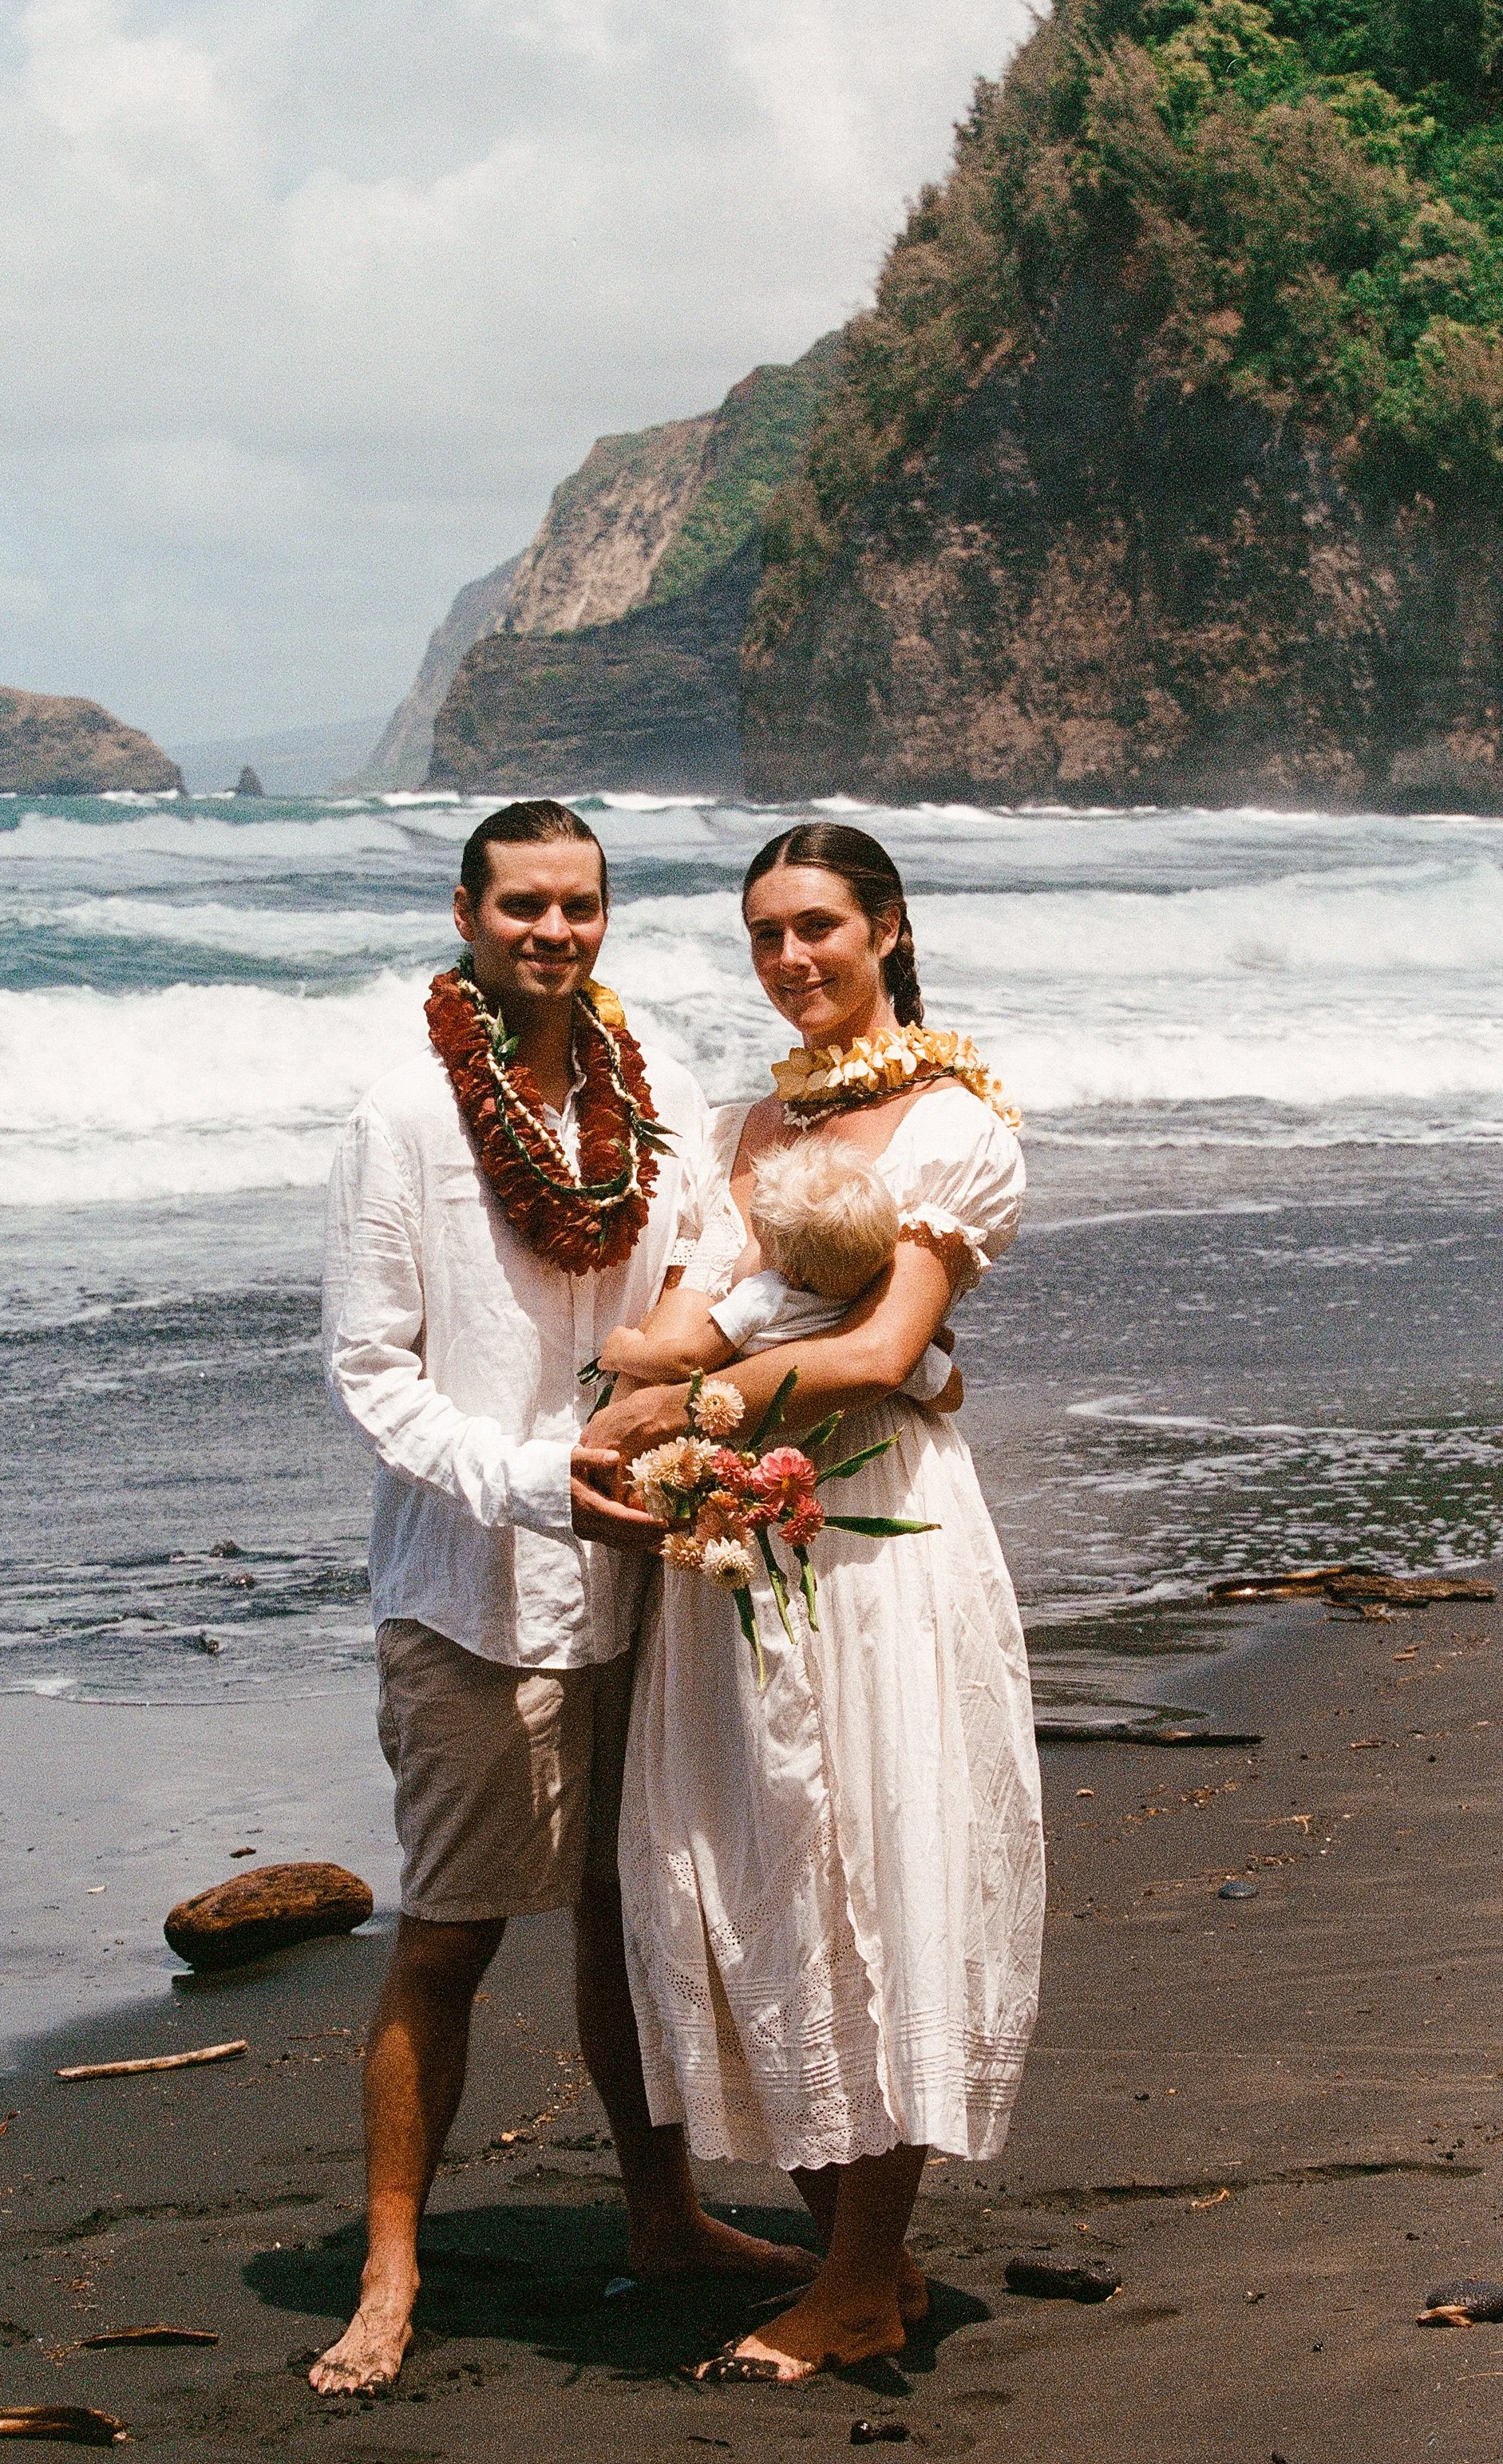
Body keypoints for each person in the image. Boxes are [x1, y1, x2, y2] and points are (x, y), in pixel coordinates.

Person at [312, 800, 814, 2396]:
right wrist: (533, 1475)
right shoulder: (404, 1113)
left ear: (604, 914)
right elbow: (366, 1368)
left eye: (578, 904)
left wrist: (659, 1374)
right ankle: (389, 2263)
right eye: (521, 903)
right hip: (470, 1582)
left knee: (629, 1913)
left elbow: (708, 1243)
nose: (552, 930)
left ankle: (659, 2212)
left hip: (644, 1567)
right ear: (465, 912)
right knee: (452, 1932)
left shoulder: (644, 1072)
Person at [586, 820, 1046, 2383]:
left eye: (818, 927)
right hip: (729, 1551)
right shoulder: (727, 1128)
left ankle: (851, 2282)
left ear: (888, 927)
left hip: (870, 1544)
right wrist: (635, 1403)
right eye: (763, 933)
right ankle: (870, 2257)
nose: (790, 960)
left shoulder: (952, 1130)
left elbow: (869, 1350)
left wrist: (694, 1394)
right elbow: (657, 1334)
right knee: (750, 1873)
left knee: (876, 1858)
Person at [597, 1130, 963, 1414]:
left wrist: (623, 1353)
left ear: (791, 1271)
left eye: (761, 1244)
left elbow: (687, 1359)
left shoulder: (765, 1295)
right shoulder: (869, 1310)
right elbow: (950, 1393)